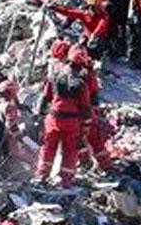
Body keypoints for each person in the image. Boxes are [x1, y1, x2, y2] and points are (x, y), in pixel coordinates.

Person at [36, 46, 97, 186]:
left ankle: (41, 177)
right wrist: (86, 126)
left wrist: (41, 117)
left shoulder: (55, 75)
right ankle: (65, 180)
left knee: (48, 148)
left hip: (53, 119)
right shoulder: (81, 83)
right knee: (70, 150)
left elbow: (46, 98)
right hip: (71, 122)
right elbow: (86, 107)